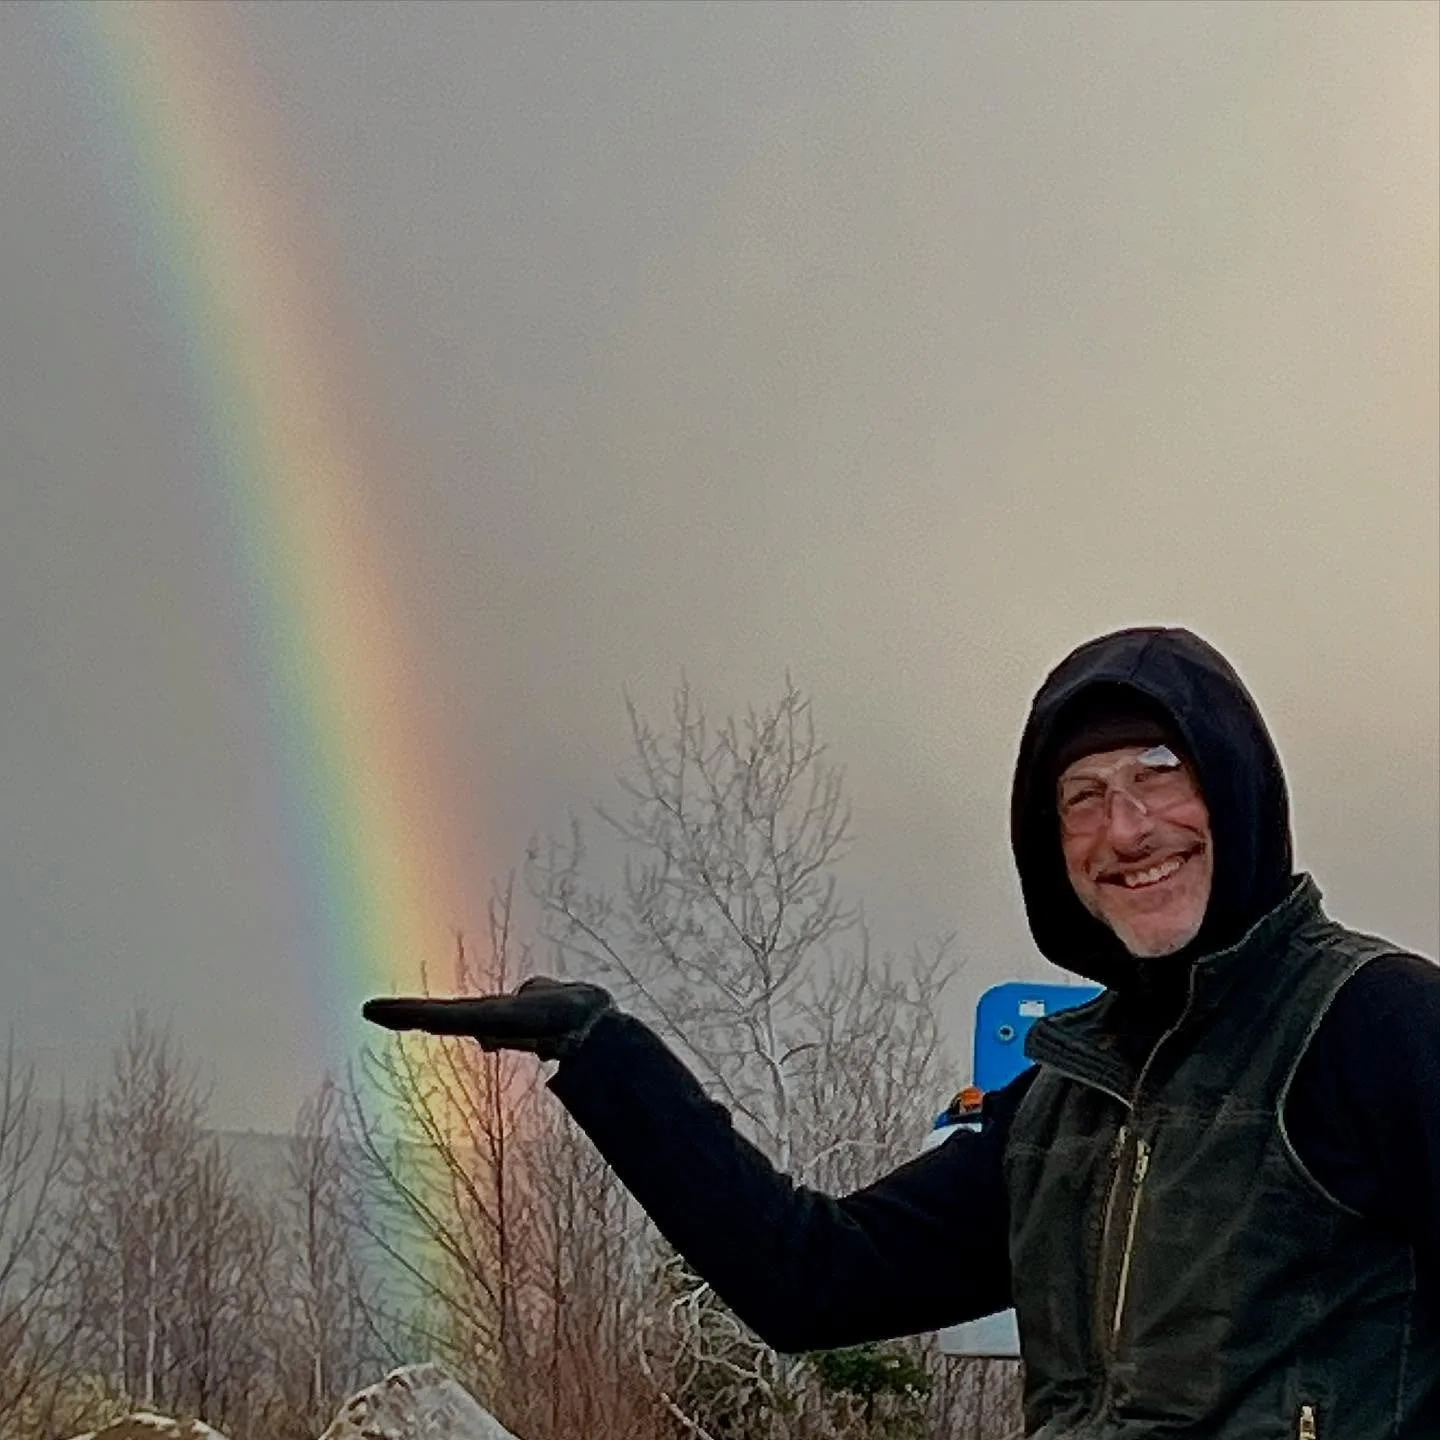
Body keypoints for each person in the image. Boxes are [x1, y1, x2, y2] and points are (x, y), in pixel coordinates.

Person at [365, 626, 1440, 1438]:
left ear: (1238, 787)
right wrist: (604, 1056)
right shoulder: (1063, 1107)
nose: (1127, 828)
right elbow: (812, 1277)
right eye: (1083, 795)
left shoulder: (1376, 1026)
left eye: (1162, 773)